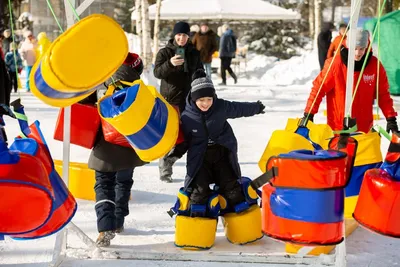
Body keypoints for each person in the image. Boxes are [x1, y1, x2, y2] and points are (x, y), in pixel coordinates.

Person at [81, 53, 147, 247]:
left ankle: (105, 228)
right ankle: (118, 222)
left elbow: (81, 103)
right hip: (131, 145)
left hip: (106, 144)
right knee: (123, 182)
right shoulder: (141, 89)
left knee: (103, 183)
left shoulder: (103, 85)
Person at [180, 69, 265, 209]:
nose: (206, 103)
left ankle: (236, 215)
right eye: (201, 100)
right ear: (194, 99)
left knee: (231, 189)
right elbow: (183, 140)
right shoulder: (187, 117)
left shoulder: (220, 107)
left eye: (209, 99)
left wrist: (256, 107)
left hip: (221, 154)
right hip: (200, 159)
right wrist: (173, 154)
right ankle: (199, 218)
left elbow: (238, 108)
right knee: (199, 192)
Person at [303, 29, 398, 134]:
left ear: (367, 47)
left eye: (362, 49)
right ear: (348, 47)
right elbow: (318, 89)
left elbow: (383, 94)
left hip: (364, 129)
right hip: (339, 129)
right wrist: (309, 113)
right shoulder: (335, 64)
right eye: (355, 48)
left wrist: (391, 119)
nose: (358, 53)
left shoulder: (374, 65)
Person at [153, 21, 203, 183]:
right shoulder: (164, 52)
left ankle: (171, 160)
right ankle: (165, 169)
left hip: (189, 101)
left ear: (189, 37)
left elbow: (201, 73)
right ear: (174, 36)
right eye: (179, 35)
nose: (181, 38)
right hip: (170, 101)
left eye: (185, 35)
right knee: (170, 136)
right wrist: (170, 64)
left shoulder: (194, 53)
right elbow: (157, 73)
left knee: (190, 136)